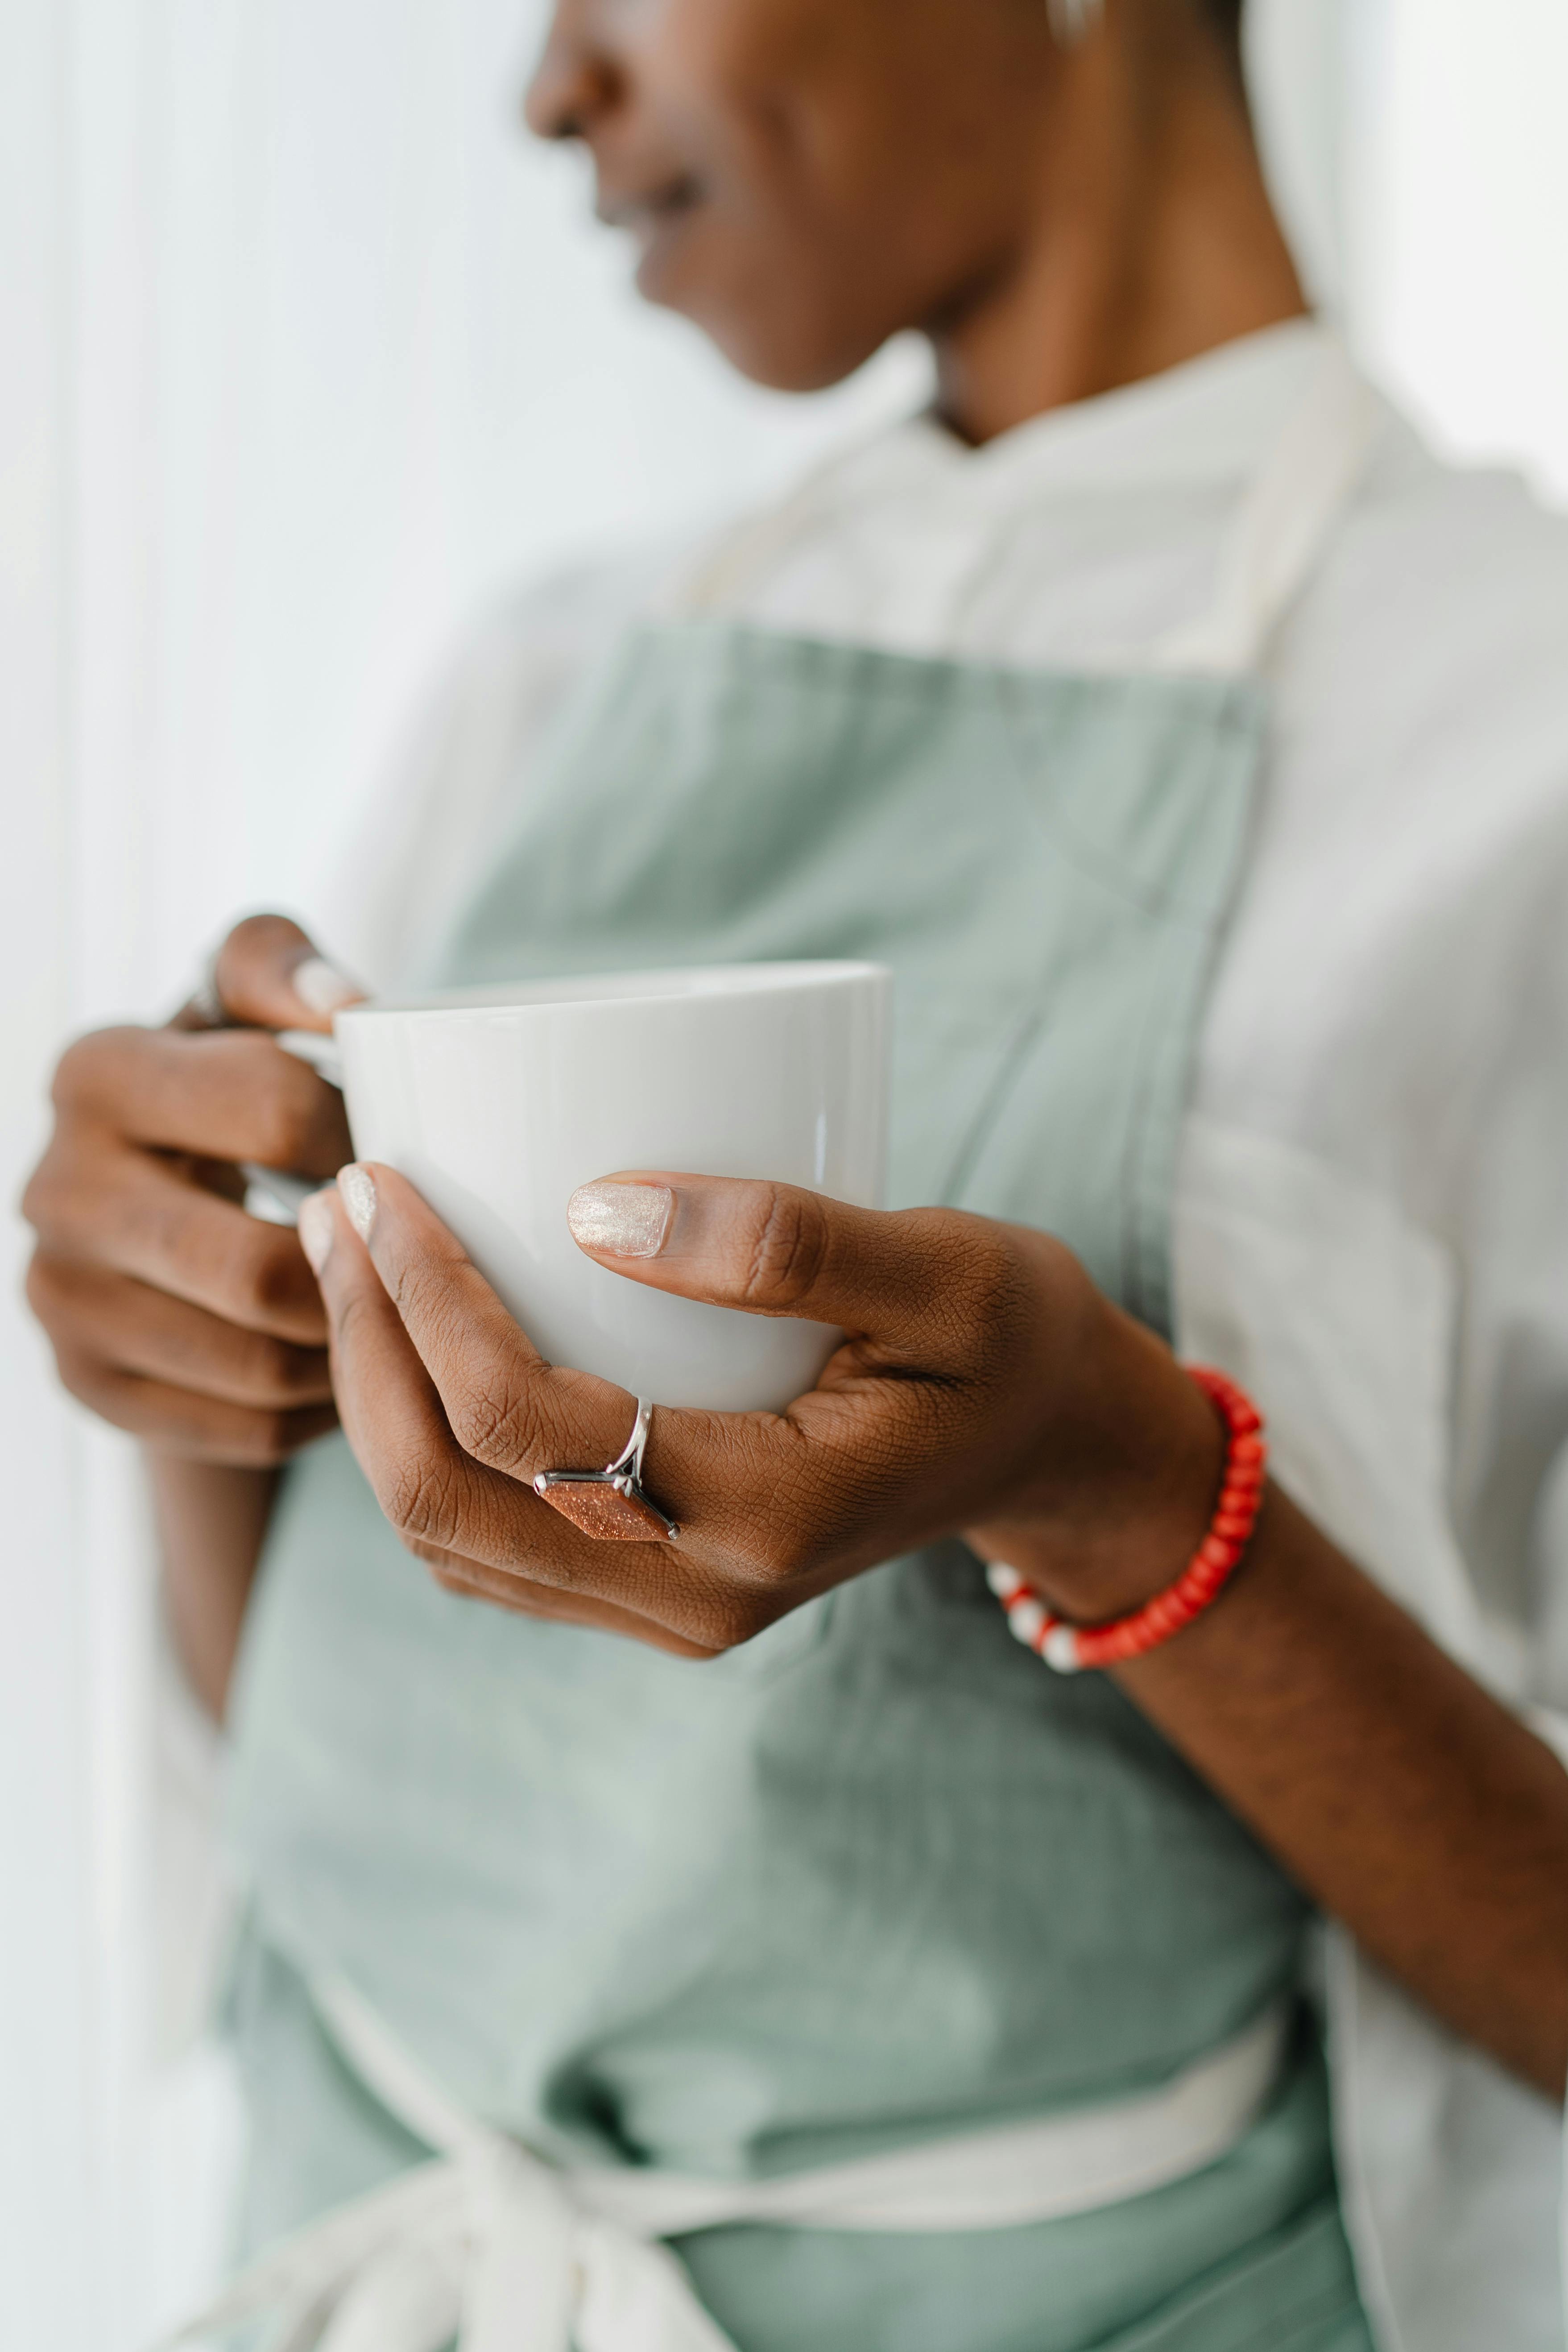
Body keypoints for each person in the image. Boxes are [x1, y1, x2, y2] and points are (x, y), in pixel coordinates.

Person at [22, 1, 1568, 2346]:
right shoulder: (552, 678)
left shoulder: (1512, 741)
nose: (549, 91)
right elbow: (350, 1756)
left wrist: (1117, 1479)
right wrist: (200, 1355)